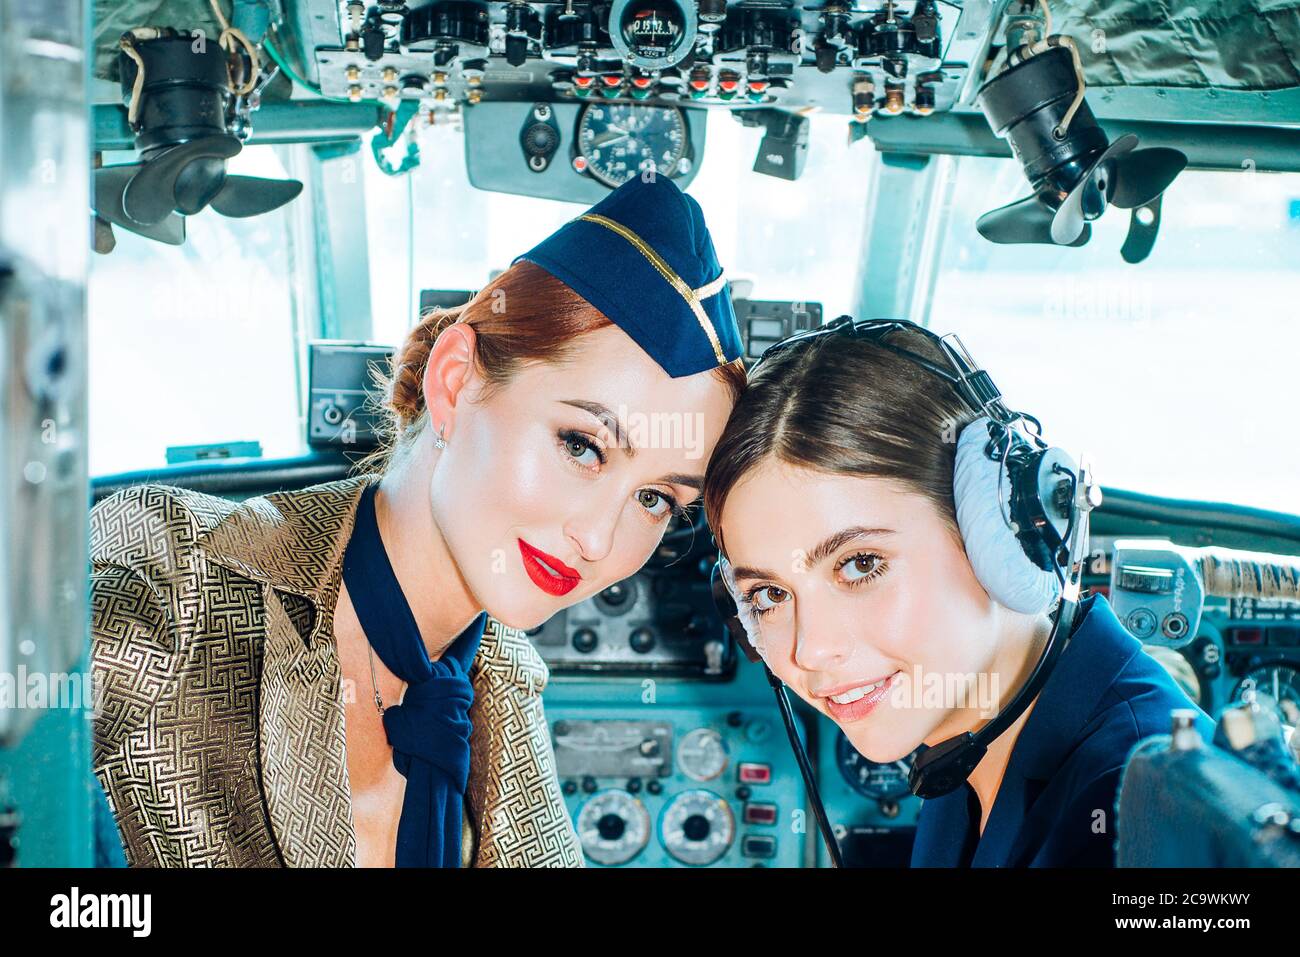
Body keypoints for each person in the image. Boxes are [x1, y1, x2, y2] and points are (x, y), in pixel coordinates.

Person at [89, 173, 747, 867]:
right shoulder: (177, 573)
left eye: (655, 499)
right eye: (583, 445)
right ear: (455, 381)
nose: (598, 539)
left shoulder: (503, 677)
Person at [702, 318, 1214, 867]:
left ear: (1001, 532)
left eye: (860, 564)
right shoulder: (964, 749)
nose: (810, 650)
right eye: (770, 596)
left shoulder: (1142, 816)